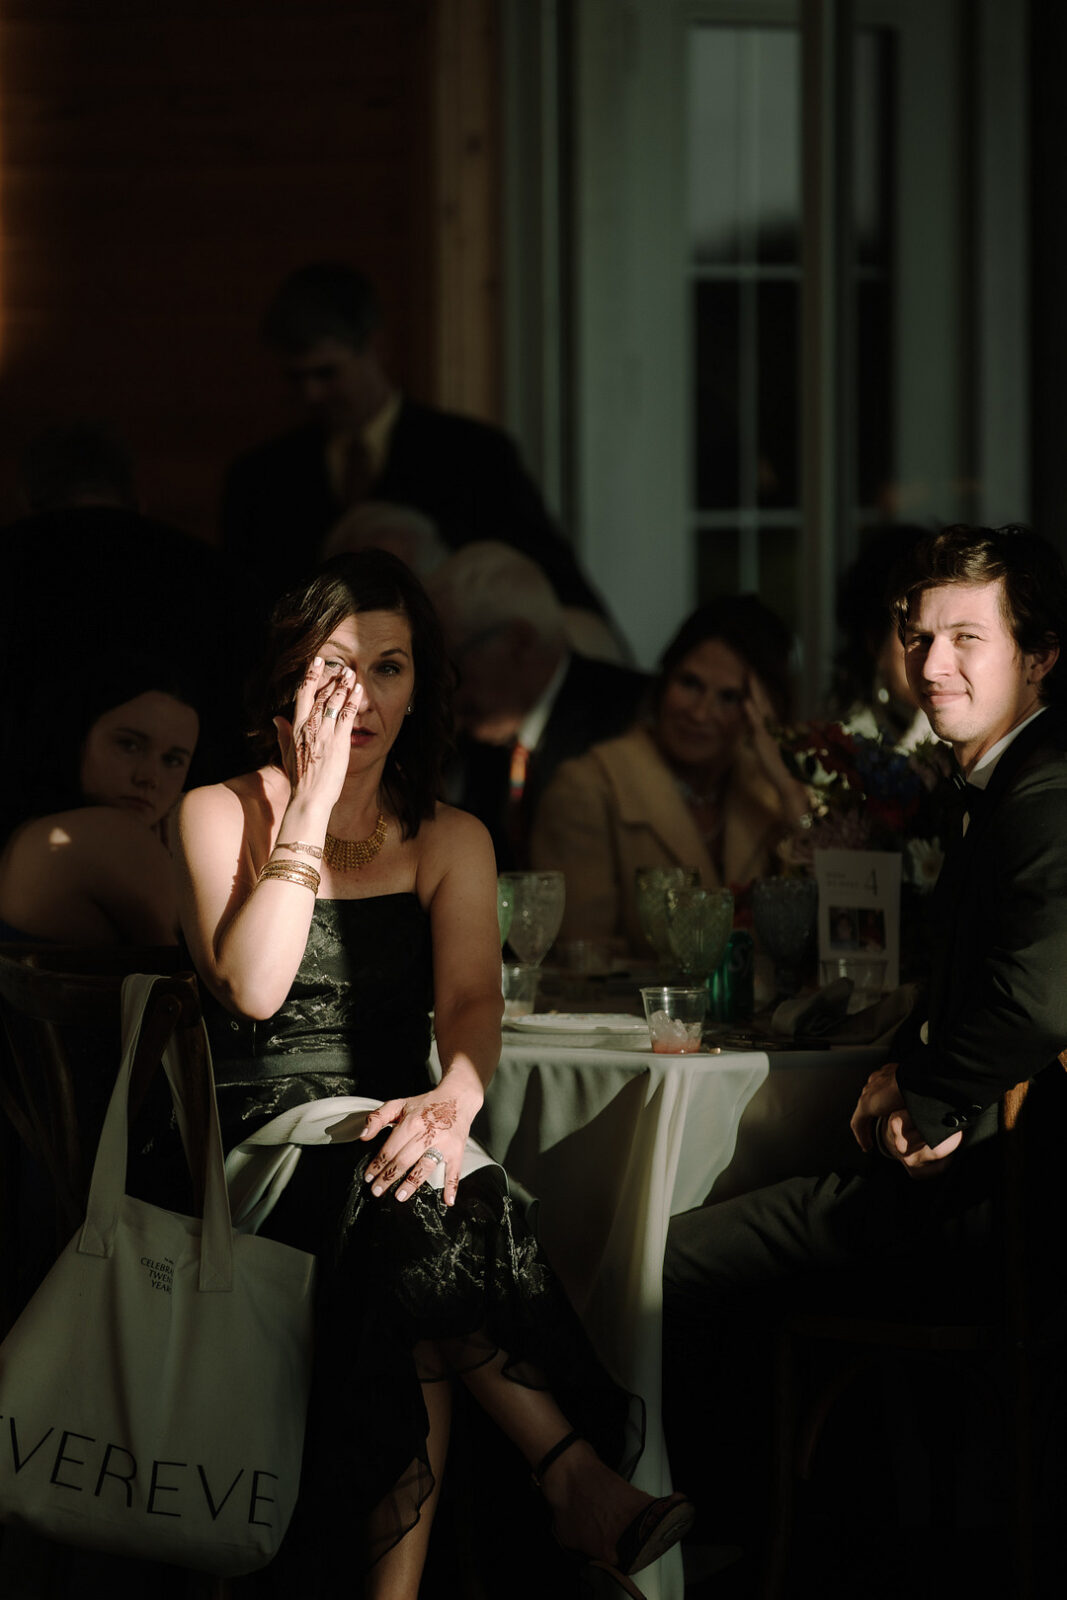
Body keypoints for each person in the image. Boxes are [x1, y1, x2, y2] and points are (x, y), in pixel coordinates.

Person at [174, 550, 692, 1596]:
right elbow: (256, 992)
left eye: (389, 667)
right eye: (333, 665)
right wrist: (311, 802)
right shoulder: (217, 811)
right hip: (250, 1144)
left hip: (388, 1130)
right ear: (285, 676)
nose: (359, 696)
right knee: (416, 1208)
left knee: (417, 1207)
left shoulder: (450, 835)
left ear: (421, 690)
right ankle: (569, 1469)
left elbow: (467, 1005)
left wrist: (457, 1098)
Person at [663, 524, 1067, 1564]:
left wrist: (922, 1095)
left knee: (658, 1262)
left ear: (1037, 654)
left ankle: (709, 1551)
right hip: (972, 1185)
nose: (931, 666)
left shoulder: (1047, 789)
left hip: (989, 1212)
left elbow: (1034, 999)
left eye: (965, 638)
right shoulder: (988, 785)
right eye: (917, 635)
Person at [221, 262, 609, 622]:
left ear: (376, 347)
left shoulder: (473, 455)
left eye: (326, 373)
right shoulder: (259, 478)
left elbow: (553, 587)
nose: (311, 395)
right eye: (296, 378)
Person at [530, 595, 810, 953]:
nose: (699, 712)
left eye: (729, 698)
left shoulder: (766, 791)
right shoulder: (589, 787)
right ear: (664, 682)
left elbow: (819, 927)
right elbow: (583, 961)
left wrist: (787, 787)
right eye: (690, 683)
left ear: (760, 713)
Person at [427, 541, 648, 870]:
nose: (445, 682)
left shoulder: (632, 717)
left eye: (453, 660)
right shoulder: (469, 739)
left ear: (519, 642)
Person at [0, 656, 199, 945]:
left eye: (172, 760)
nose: (149, 777)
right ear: (79, 738)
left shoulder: (28, 831)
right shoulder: (111, 833)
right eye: (129, 744)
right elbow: (182, 984)